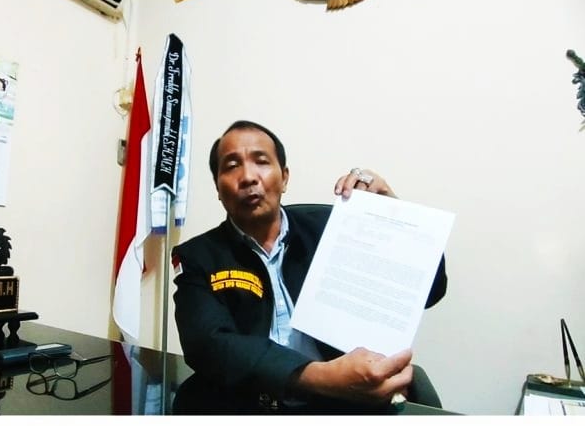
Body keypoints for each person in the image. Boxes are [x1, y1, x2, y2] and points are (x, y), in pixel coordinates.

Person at [171, 120, 447, 414]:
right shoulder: (198, 256)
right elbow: (208, 345)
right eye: (231, 166)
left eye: (261, 161)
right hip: (246, 405)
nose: (248, 176)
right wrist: (324, 377)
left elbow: (430, 291)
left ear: (284, 177)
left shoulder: (333, 230)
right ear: (217, 187)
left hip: (344, 407)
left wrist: (391, 213)